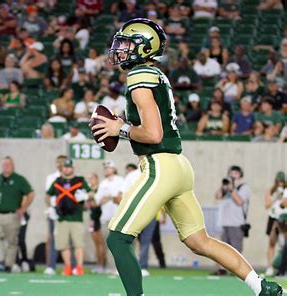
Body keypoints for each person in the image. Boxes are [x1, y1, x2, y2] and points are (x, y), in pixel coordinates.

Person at [92, 18, 282, 295]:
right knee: (199, 241)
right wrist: (124, 125)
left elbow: (153, 134)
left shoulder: (139, 76)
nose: (120, 48)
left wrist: (119, 128)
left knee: (118, 238)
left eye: (127, 43)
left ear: (144, 48)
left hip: (161, 165)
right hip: (178, 166)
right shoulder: (154, 74)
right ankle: (262, 287)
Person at [0, 156, 34, 272]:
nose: (6, 166)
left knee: (12, 242)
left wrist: (23, 209)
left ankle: (9, 264)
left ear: (13, 166)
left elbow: (31, 194)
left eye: (8, 164)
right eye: (4, 164)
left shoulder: (19, 179)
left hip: (12, 215)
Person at [47, 159, 90, 276]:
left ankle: (79, 267)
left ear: (72, 168)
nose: (66, 169)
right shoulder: (57, 181)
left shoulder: (80, 180)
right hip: (61, 218)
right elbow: (48, 194)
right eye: (65, 167)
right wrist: (51, 207)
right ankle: (68, 267)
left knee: (78, 244)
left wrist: (85, 195)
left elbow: (90, 192)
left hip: (76, 218)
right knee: (63, 244)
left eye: (68, 167)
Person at [213, 166, 250, 275]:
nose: (233, 175)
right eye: (231, 173)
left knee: (236, 249)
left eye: (236, 173)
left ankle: (237, 270)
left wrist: (231, 189)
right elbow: (217, 196)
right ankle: (221, 269)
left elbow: (239, 201)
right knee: (222, 249)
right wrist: (224, 186)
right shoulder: (226, 186)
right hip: (224, 222)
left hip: (237, 223)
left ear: (240, 175)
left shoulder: (244, 187)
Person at [94, 160, 124, 274]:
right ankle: (110, 267)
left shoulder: (121, 181)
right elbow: (97, 201)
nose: (106, 170)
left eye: (108, 168)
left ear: (114, 169)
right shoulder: (103, 183)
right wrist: (105, 199)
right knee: (109, 244)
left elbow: (122, 197)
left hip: (118, 218)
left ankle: (119, 268)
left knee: (119, 244)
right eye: (105, 168)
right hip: (106, 218)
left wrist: (111, 197)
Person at [43, 155, 67, 275]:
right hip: (54, 211)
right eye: (58, 162)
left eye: (62, 162)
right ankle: (50, 266)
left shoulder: (69, 177)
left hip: (67, 213)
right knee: (52, 239)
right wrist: (51, 208)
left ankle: (71, 266)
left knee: (69, 239)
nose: (60, 164)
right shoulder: (51, 177)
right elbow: (48, 195)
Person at [264, 171, 286, 276]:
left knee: (284, 245)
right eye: (279, 181)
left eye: (282, 182)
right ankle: (270, 267)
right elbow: (267, 205)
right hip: (273, 218)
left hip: (284, 218)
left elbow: (284, 205)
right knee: (271, 243)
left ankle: (282, 266)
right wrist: (276, 197)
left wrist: (283, 197)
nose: (280, 184)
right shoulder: (271, 190)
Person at [86, 172, 104, 274]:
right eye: (89, 179)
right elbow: (87, 206)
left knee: (100, 243)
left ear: (96, 179)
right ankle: (98, 264)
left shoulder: (98, 189)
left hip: (98, 217)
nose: (90, 181)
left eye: (92, 178)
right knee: (96, 244)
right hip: (92, 218)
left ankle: (101, 264)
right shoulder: (90, 190)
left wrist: (88, 198)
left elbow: (96, 204)